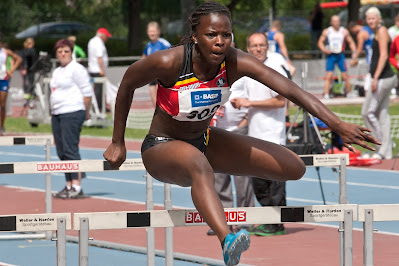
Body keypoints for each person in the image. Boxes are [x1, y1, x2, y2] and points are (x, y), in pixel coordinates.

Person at [103, 2, 379, 265]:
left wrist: (337, 124)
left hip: (205, 141)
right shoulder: (168, 61)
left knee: (292, 168)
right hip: (162, 147)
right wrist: (118, 142)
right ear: (195, 37)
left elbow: (290, 89)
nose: (220, 41)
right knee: (198, 166)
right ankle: (228, 240)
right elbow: (126, 84)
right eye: (211, 35)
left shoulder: (234, 62)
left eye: (226, 34)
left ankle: (211, 187)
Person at [230, 32, 288, 237]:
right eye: (254, 46)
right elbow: (246, 101)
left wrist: (250, 103)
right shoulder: (248, 71)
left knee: (275, 183)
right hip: (255, 135)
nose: (258, 49)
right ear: (248, 48)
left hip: (273, 135)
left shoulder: (274, 68)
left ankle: (277, 224)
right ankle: (266, 221)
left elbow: (281, 101)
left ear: (267, 46)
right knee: (259, 182)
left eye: (262, 45)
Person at [50, 39, 92, 199]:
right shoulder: (57, 71)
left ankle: (77, 185)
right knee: (61, 151)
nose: (62, 54)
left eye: (66, 51)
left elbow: (87, 93)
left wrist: (86, 113)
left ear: (71, 52)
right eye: (60, 51)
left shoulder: (77, 69)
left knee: (70, 149)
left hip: (73, 111)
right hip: (58, 113)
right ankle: (68, 185)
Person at [362, 7, 397, 160]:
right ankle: (387, 151)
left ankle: (381, 146)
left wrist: (374, 78)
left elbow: (384, 55)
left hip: (383, 78)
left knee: (367, 112)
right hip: (383, 78)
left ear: (379, 18)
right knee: (382, 115)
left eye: (372, 18)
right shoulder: (376, 32)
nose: (370, 21)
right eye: (368, 19)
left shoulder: (382, 31)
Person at [318, 15, 357, 99]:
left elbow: (351, 42)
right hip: (331, 55)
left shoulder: (344, 31)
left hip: (340, 55)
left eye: (337, 21)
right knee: (329, 75)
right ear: (331, 22)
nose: (336, 23)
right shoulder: (327, 31)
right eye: (334, 21)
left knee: (345, 75)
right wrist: (324, 50)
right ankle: (326, 94)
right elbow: (320, 42)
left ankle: (349, 93)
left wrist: (354, 54)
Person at [142, 21, 172, 106]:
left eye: (153, 31)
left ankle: (164, 110)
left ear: (158, 32)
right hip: (151, 74)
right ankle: (156, 111)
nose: (152, 33)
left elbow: (173, 54)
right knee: (152, 91)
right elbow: (143, 58)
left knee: (161, 93)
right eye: (150, 31)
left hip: (162, 73)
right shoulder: (148, 45)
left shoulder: (164, 44)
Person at [0, 33, 22, 135]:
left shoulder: (5, 51)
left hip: (3, 79)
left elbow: (19, 59)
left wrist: (11, 69)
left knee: (3, 104)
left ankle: (2, 126)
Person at [88, 28, 111, 111]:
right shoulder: (98, 43)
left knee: (96, 89)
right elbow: (99, 57)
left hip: (92, 68)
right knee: (99, 90)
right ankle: (98, 107)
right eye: (106, 36)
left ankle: (97, 106)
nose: (107, 38)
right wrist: (102, 70)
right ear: (102, 36)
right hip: (97, 70)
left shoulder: (92, 41)